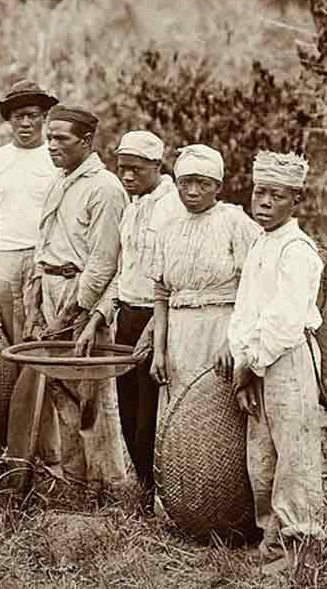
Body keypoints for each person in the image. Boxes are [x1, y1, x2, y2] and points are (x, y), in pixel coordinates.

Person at [14, 104, 130, 485]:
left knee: (92, 393)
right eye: (49, 138)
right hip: (51, 290)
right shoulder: (61, 180)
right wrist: (34, 298)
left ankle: (108, 485)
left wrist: (75, 313)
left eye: (61, 138)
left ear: (86, 141)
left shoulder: (106, 189)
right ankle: (75, 481)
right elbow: (43, 242)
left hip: (81, 298)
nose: (51, 145)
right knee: (61, 389)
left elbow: (104, 261)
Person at [149, 145, 262, 515]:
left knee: (222, 420)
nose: (192, 192)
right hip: (181, 333)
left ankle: (230, 508)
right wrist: (159, 350)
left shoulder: (235, 223)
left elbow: (252, 286)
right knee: (181, 420)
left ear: (218, 185)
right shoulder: (167, 228)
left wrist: (234, 341)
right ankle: (182, 507)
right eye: (185, 183)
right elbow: (161, 294)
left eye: (201, 183)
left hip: (221, 329)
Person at [228, 150, 326, 570]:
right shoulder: (260, 245)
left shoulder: (298, 251)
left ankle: (301, 544)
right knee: (262, 456)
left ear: (296, 201)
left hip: (288, 361)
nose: (264, 202)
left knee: (295, 455)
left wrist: (254, 360)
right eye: (259, 192)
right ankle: (272, 539)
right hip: (259, 360)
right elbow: (245, 311)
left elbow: (284, 320)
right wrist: (243, 362)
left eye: (277, 196)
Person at [80, 130, 184, 509]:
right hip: (127, 316)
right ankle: (144, 492)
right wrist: (99, 316)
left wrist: (157, 329)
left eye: (135, 169)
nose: (126, 177)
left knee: (152, 419)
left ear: (157, 166)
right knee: (127, 413)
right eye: (121, 169)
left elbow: (172, 279)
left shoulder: (174, 207)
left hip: (158, 321)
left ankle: (166, 499)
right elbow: (123, 273)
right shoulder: (132, 206)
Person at [0, 79, 61, 463]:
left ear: (44, 118)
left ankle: (51, 453)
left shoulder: (57, 159)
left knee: (47, 354)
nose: (25, 123)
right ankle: (14, 451)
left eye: (32, 116)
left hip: (48, 263)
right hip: (7, 261)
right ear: (8, 121)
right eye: (17, 117)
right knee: (14, 355)